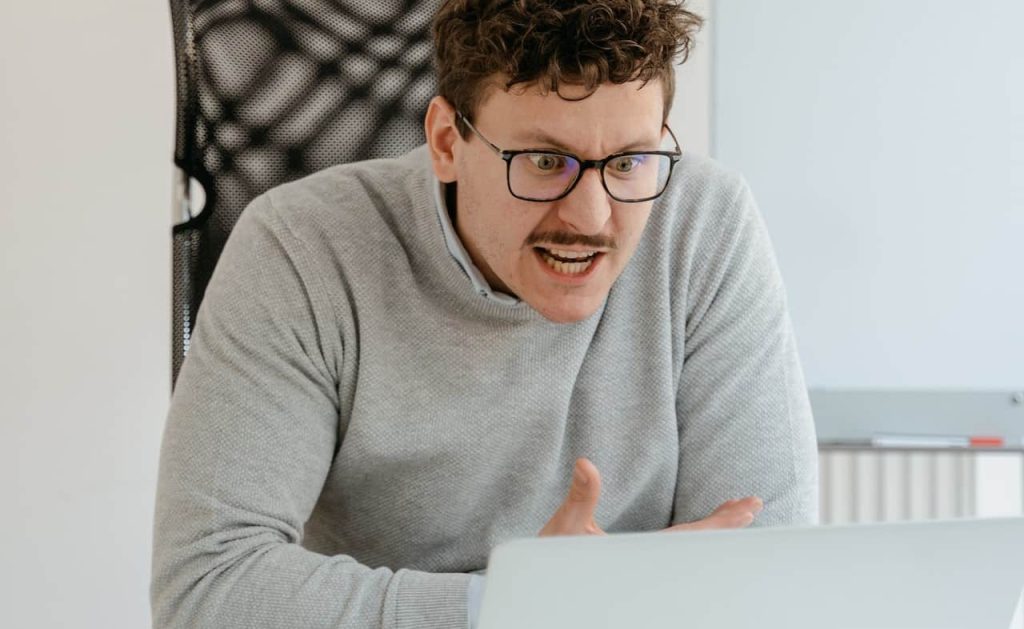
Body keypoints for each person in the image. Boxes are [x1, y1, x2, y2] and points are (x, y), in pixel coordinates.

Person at [150, 1, 818, 628]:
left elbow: (769, 570)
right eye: (545, 161)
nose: (591, 218)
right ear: (445, 140)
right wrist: (513, 603)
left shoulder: (707, 225)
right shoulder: (301, 249)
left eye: (629, 160)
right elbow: (209, 589)